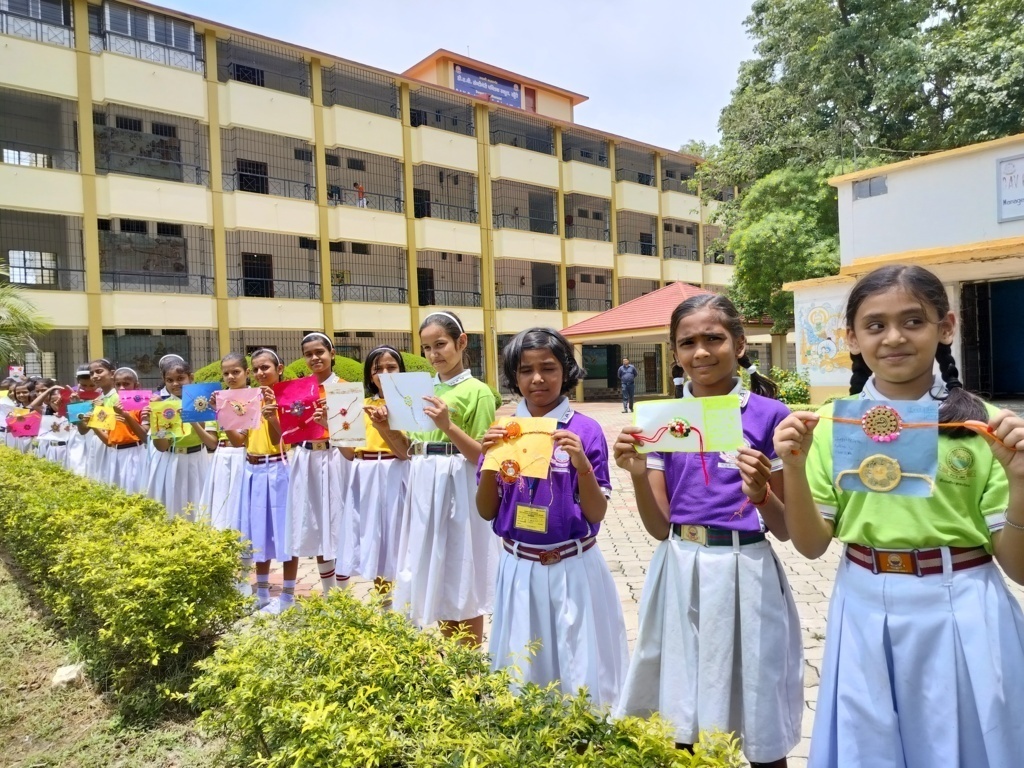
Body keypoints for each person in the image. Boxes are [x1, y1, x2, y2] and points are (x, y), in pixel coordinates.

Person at [773, 264, 1024, 768]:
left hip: (963, 602)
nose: (894, 338)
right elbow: (811, 545)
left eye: (913, 321)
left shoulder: (983, 425)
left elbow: (1019, 567)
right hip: (862, 599)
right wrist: (795, 469)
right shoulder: (828, 426)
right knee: (870, 749)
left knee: (968, 747)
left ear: (945, 327)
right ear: (852, 338)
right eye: (875, 325)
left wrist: (1020, 481)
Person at [613, 294, 802, 768]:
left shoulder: (769, 416)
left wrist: (761, 492)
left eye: (713, 338)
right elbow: (659, 527)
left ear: (739, 343)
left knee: (756, 710)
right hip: (680, 567)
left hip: (746, 568)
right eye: (687, 342)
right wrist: (637, 472)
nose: (701, 352)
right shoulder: (661, 422)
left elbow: (785, 530)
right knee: (683, 711)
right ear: (673, 352)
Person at [477, 328, 627, 707]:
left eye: (548, 367)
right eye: (525, 370)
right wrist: (492, 463)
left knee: (580, 671)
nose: (537, 378)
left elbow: (596, 512)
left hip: (573, 566)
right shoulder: (502, 432)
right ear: (514, 377)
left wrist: (582, 466)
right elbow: (486, 511)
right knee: (522, 671)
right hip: (519, 567)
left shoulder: (585, 430)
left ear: (566, 371)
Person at [371, 311, 498, 647]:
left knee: (460, 570)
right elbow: (406, 451)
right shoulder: (421, 390)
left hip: (458, 484)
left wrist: (447, 426)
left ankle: (467, 662)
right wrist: (385, 427)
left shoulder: (478, 392)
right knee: (436, 572)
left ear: (461, 342)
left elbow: (483, 457)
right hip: (424, 486)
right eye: (427, 348)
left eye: (440, 344)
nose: (434, 354)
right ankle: (451, 657)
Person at [283, 332, 355, 596]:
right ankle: (329, 594)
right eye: (308, 354)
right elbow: (289, 430)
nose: (315, 358)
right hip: (306, 459)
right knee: (317, 526)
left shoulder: (346, 387)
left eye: (320, 352)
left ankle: (344, 597)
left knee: (339, 524)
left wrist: (334, 417)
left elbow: (352, 434)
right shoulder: (298, 390)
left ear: (332, 353)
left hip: (336, 458)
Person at [343, 345, 407, 603]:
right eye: (377, 369)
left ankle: (407, 602)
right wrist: (333, 429)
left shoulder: (409, 404)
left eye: (391, 367)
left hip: (396, 470)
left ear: (402, 371)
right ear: (370, 376)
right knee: (375, 539)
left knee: (399, 537)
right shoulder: (358, 405)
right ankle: (385, 603)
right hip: (365, 472)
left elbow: (408, 449)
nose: (384, 373)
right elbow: (349, 453)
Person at [238, 349, 295, 614]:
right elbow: (239, 440)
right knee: (258, 530)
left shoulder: (290, 396)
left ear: (279, 368)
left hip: (280, 467)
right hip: (254, 468)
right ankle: (261, 592)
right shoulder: (247, 399)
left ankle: (288, 594)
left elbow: (285, 439)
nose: (261, 373)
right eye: (256, 368)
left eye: (266, 367)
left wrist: (274, 415)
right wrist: (224, 414)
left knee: (285, 531)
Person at [146, 359, 218, 520]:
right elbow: (161, 447)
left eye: (180, 379)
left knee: (199, 507)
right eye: (169, 380)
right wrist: (156, 423)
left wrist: (192, 419)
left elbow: (212, 443)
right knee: (170, 507)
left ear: (191, 377)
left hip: (198, 460)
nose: (175, 384)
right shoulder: (162, 407)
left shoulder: (204, 403)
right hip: (171, 460)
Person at [199, 353, 248, 535]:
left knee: (239, 503)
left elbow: (240, 439)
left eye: (236, 372)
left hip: (243, 455)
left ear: (247, 372)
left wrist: (221, 411)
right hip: (220, 456)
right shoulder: (217, 399)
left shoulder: (253, 398)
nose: (231, 377)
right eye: (226, 373)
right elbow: (212, 441)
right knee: (220, 503)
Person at [99, 367, 149, 493]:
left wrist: (126, 416)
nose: (122, 388)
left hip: (135, 452)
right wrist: (93, 424)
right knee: (116, 493)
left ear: (136, 385)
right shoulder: (110, 406)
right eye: (118, 384)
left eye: (126, 384)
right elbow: (108, 439)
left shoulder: (143, 405)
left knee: (136, 492)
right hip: (115, 454)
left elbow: (145, 436)